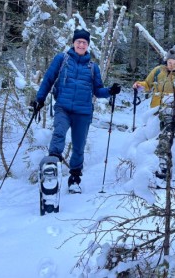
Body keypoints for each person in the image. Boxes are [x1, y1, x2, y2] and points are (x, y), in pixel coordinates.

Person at [33, 28, 121, 193]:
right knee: (59, 133)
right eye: (79, 41)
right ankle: (52, 166)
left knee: (79, 146)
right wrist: (40, 99)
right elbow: (49, 79)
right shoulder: (62, 59)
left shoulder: (92, 67)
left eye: (84, 42)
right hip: (63, 107)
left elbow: (98, 90)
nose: (81, 44)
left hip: (83, 112)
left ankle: (74, 179)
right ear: (73, 43)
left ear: (87, 45)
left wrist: (110, 91)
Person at [133, 44, 175, 178]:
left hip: (171, 111)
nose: (171, 65)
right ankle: (148, 165)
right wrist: (139, 85)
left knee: (166, 137)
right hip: (155, 109)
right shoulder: (158, 70)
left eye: (174, 64)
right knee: (152, 137)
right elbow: (147, 84)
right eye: (170, 62)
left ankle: (164, 167)